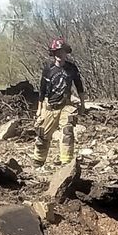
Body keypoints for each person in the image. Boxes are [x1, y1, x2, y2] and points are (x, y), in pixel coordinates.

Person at [35, 38, 85, 167]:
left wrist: (82, 104)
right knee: (43, 136)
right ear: (53, 53)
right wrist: (40, 108)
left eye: (61, 51)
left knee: (67, 132)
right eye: (56, 52)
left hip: (66, 105)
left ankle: (66, 164)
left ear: (65, 53)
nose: (59, 54)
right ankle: (38, 163)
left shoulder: (71, 68)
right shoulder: (48, 69)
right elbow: (42, 90)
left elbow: (79, 86)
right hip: (50, 106)